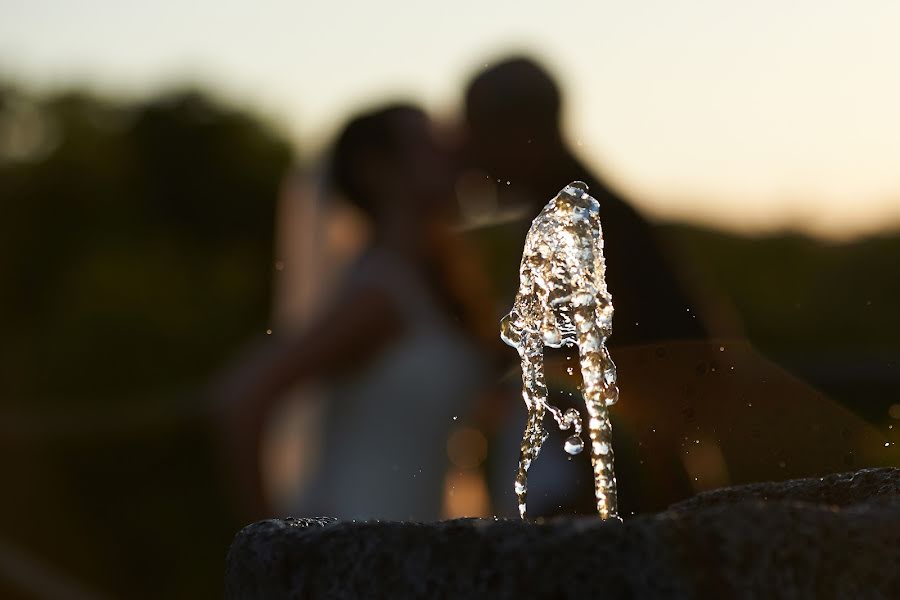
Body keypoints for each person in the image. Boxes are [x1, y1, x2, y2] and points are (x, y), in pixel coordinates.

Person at [216, 104, 492, 522]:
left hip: (414, 543)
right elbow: (244, 397)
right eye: (424, 143)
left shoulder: (428, 287)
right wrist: (273, 548)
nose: (447, 152)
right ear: (376, 171)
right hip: (356, 544)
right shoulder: (380, 295)